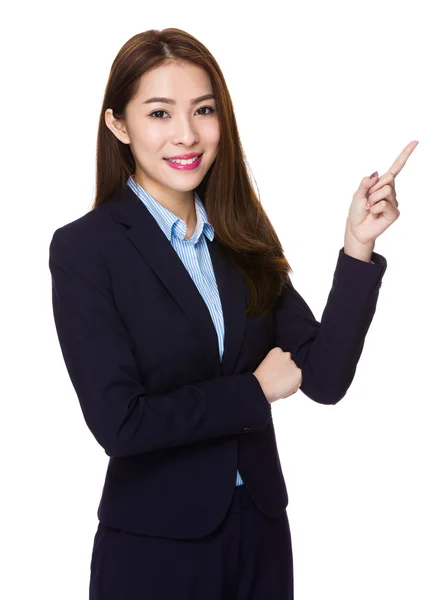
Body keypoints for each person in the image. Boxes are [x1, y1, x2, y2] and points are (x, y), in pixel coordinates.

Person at [48, 27, 418, 600]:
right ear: (119, 125)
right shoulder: (86, 249)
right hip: (156, 548)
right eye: (159, 113)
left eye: (203, 110)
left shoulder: (241, 233)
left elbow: (323, 376)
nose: (187, 134)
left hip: (261, 535)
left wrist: (357, 246)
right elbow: (121, 424)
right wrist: (253, 392)